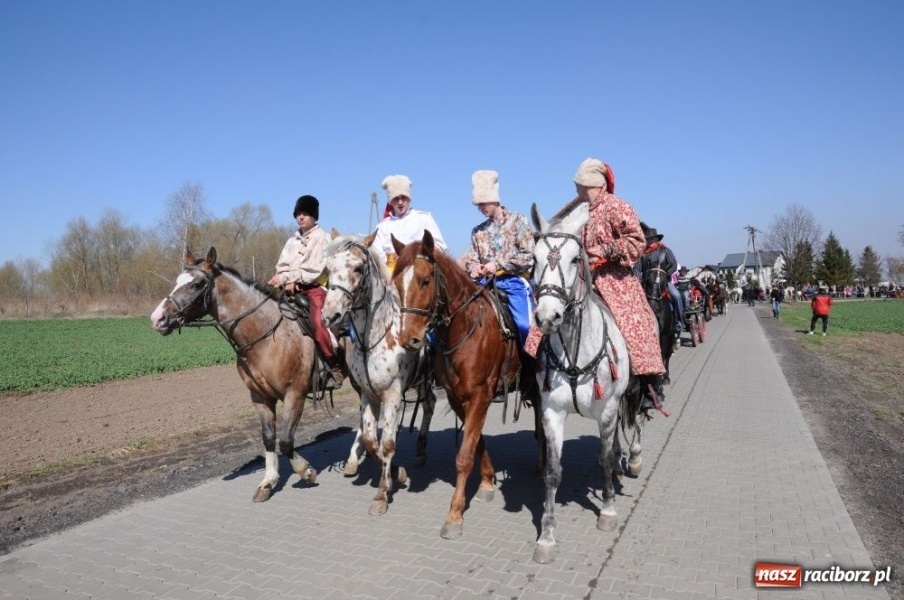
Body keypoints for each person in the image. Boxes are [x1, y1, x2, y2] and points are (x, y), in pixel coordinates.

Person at [557, 158, 665, 406]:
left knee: (639, 321)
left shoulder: (618, 206)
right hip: (582, 277)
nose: (575, 190)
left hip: (613, 277)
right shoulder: (579, 213)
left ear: (590, 184)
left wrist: (603, 250)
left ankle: (649, 383)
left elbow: (637, 242)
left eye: (578, 185)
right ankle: (542, 376)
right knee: (547, 316)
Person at [267, 195, 343, 385]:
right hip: (291, 291)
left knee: (318, 323)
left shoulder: (323, 238)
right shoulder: (291, 241)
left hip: (315, 289)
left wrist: (288, 277)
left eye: (306, 214)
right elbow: (282, 265)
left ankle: (334, 365)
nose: (301, 217)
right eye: (298, 214)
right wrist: (285, 280)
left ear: (314, 216)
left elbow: (314, 269)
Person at [460, 169, 535, 346]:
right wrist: (474, 267)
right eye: (478, 204)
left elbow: (528, 255)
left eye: (483, 203)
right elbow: (471, 257)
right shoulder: (477, 231)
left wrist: (499, 264)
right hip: (482, 285)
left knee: (525, 327)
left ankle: (533, 368)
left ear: (494, 198)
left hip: (513, 283)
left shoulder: (518, 221)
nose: (480, 208)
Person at [373, 174, 447, 271]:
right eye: (396, 198)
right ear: (390, 202)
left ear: (409, 198)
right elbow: (376, 256)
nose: (400, 202)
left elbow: (440, 248)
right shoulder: (382, 227)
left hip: (420, 276)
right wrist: (388, 260)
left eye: (403, 197)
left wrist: (413, 254)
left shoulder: (424, 219)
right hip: (390, 278)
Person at [636, 222, 683, 333]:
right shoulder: (642, 254)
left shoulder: (666, 251)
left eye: (651, 238)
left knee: (677, 296)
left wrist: (664, 276)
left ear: (656, 239)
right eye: (648, 239)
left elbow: (673, 264)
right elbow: (637, 269)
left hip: (663, 281)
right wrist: (640, 278)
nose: (649, 241)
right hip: (647, 283)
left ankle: (679, 321)